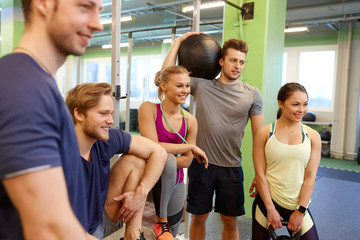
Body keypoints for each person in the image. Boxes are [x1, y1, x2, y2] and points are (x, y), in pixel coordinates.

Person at [0, 0, 104, 239]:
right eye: (85, 6)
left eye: (100, 10)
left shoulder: (38, 84)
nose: (97, 23)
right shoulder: (23, 88)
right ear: (44, 3)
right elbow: (49, 229)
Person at [161, 32, 264, 240]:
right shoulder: (202, 86)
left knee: (230, 221)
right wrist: (178, 43)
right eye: (233, 60)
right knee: (199, 218)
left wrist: (261, 175)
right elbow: (167, 75)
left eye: (241, 62)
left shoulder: (252, 93)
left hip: (232, 167)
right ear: (221, 62)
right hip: (202, 164)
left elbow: (260, 137)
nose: (237, 66)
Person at [65, 82, 167, 240]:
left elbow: (158, 152)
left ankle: (133, 235)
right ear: (79, 114)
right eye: (103, 113)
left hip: (100, 220)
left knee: (136, 159)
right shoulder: (57, 157)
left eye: (111, 113)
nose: (111, 120)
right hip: (70, 233)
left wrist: (141, 192)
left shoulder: (107, 138)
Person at [138, 65, 209, 240]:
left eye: (187, 86)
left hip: (174, 180)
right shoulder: (149, 109)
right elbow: (152, 146)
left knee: (171, 234)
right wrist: (189, 147)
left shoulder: (190, 120)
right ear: (163, 86)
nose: (185, 90)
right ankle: (160, 219)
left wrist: (166, 159)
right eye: (179, 86)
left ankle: (164, 223)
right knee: (167, 159)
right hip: (147, 179)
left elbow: (185, 162)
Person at [252, 82, 320, 239]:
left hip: (297, 204)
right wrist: (270, 209)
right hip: (267, 202)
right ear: (280, 103)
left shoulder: (312, 137)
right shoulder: (264, 134)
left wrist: (300, 211)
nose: (301, 110)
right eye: (295, 104)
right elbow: (260, 174)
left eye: (305, 104)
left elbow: (310, 177)